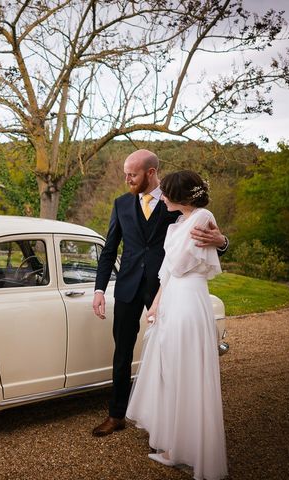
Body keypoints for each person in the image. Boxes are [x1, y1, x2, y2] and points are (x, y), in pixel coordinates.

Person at [91, 150, 227, 437]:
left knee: (166, 352)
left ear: (151, 172)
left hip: (166, 289)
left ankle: (166, 421)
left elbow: (210, 235)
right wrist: (99, 289)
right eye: (126, 173)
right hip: (128, 286)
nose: (127, 179)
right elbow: (110, 249)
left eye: (133, 174)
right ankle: (116, 415)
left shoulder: (176, 198)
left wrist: (223, 241)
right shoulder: (121, 204)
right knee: (122, 352)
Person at [126, 170, 227, 479]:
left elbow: (180, 265)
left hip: (188, 302)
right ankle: (174, 446)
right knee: (170, 371)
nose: (163, 197)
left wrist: (221, 240)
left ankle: (194, 450)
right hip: (173, 299)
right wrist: (156, 304)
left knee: (186, 372)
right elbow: (168, 273)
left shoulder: (202, 217)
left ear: (182, 196)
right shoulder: (180, 222)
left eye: (167, 193)